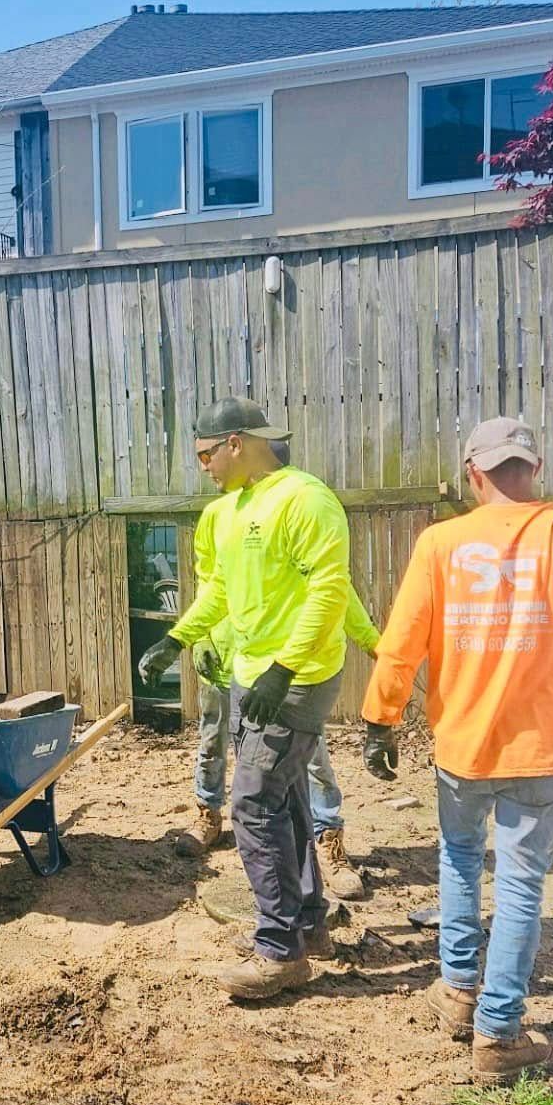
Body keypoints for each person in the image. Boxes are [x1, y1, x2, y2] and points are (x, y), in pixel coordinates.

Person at [360, 416, 553, 1083]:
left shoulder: (440, 543)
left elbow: (401, 639)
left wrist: (380, 720)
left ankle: (458, 992)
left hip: (460, 746)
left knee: (459, 859)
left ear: (473, 472)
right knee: (521, 887)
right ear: (536, 466)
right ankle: (497, 1031)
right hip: (540, 750)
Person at [137, 397, 353, 1001]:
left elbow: (330, 591)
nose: (202, 465)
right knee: (283, 801)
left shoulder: (306, 499)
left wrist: (284, 668)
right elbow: (223, 593)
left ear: (235, 442)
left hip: (296, 678)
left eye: (206, 453)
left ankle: (279, 950)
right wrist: (176, 638)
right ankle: (308, 925)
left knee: (254, 806)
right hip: (252, 674)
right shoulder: (232, 511)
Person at [177, 507, 382, 905]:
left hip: (279, 674)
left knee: (309, 758)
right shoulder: (217, 517)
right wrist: (197, 638)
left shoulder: (288, 516)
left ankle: (327, 838)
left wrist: (375, 644)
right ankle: (208, 814)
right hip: (223, 664)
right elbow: (208, 584)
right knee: (213, 743)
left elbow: (337, 591)